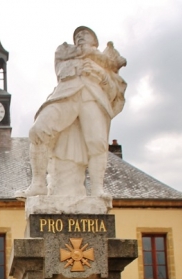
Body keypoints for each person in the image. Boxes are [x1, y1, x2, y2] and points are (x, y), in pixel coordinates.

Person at [19, 26, 127, 199]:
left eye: (85, 34)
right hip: (66, 95)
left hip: (92, 97)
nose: (80, 37)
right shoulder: (65, 53)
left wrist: (101, 74)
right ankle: (38, 184)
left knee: (97, 143)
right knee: (38, 131)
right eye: (77, 35)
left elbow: (115, 89)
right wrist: (91, 59)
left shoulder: (104, 63)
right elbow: (62, 68)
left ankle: (98, 190)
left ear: (95, 41)